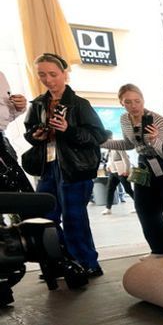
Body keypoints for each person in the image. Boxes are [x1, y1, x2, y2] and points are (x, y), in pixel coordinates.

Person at [21, 53, 106, 277]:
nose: (48, 79)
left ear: (64, 74)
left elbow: (97, 136)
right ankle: (61, 262)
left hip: (74, 169)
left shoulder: (79, 104)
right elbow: (29, 132)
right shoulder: (38, 103)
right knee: (43, 218)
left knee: (74, 219)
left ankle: (87, 263)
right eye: (42, 75)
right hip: (47, 168)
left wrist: (68, 130)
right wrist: (35, 135)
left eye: (52, 74)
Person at [102, 84, 163, 257]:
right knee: (144, 208)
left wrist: (154, 140)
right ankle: (160, 248)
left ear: (143, 100)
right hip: (143, 165)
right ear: (122, 103)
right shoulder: (124, 119)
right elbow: (129, 144)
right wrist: (101, 143)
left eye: (137, 101)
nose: (134, 105)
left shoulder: (157, 119)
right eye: (128, 102)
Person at [0, 69, 32, 194]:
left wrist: (17, 108)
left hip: (2, 143)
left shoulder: (1, 76)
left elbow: (5, 115)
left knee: (22, 200)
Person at [99, 129, 134, 215]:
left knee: (128, 189)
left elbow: (125, 158)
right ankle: (108, 208)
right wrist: (108, 166)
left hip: (122, 172)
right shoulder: (108, 148)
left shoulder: (118, 145)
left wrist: (127, 170)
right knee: (110, 189)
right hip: (113, 172)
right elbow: (110, 159)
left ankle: (139, 205)